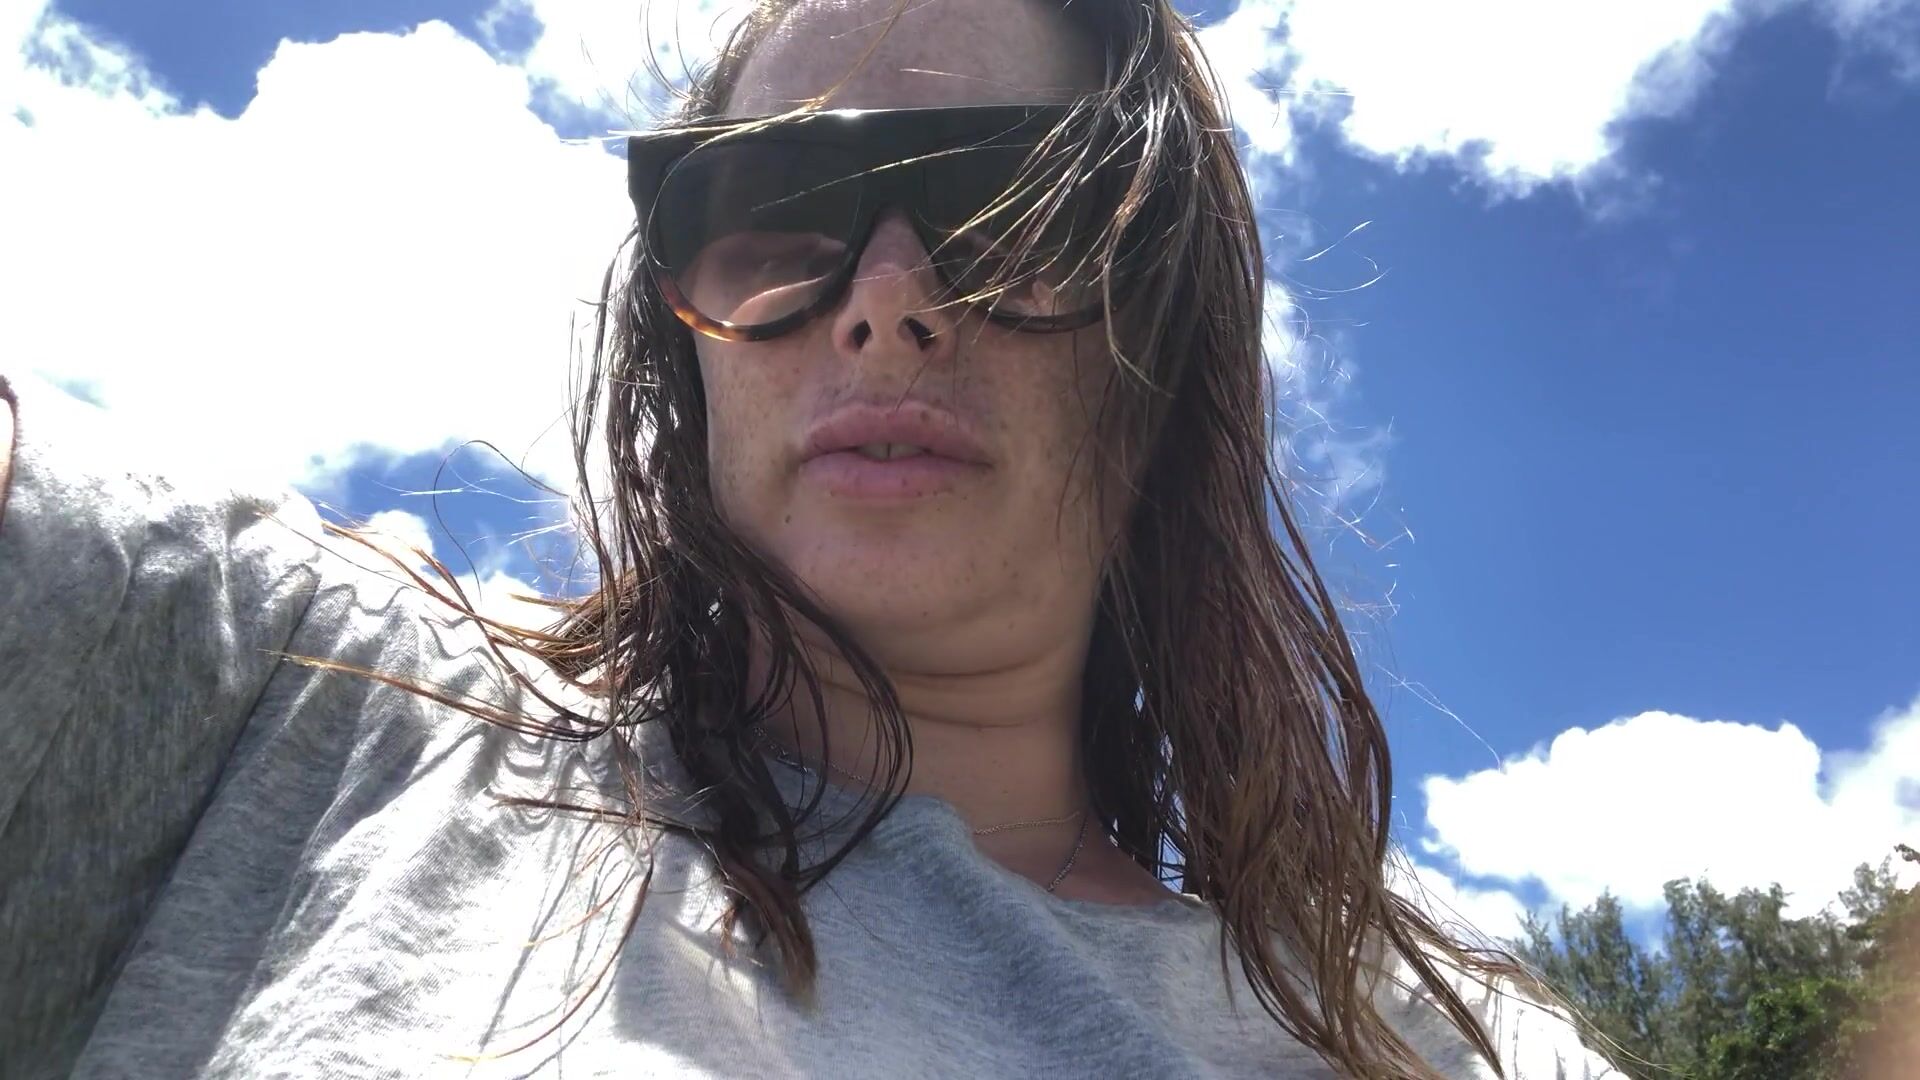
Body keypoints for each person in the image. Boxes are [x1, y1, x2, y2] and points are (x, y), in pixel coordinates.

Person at [0, 0, 1628, 1076]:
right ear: (682, 346)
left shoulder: (1427, 1047)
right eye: (777, 212)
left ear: (1162, 351)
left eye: (1014, 211)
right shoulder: (306, 700)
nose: (888, 305)